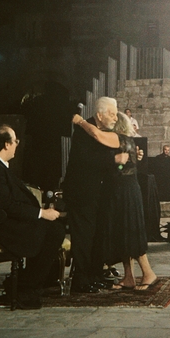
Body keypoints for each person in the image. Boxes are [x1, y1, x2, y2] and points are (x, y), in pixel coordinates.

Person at [0, 125, 65, 309]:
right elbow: (5, 204)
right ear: (6, 144)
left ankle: (27, 283)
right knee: (53, 231)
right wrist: (41, 213)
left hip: (0, 221)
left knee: (50, 228)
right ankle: (26, 288)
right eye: (15, 141)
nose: (17, 144)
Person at [74, 111, 157, 291]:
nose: (110, 120)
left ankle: (148, 273)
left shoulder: (118, 138)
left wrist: (81, 122)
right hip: (122, 190)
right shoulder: (126, 141)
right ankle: (129, 277)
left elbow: (96, 134)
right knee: (123, 233)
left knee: (130, 231)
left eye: (113, 118)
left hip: (125, 191)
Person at [62, 97, 128, 293]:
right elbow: (87, 160)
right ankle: (81, 281)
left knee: (99, 235)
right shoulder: (84, 130)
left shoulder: (103, 131)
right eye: (111, 113)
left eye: (116, 113)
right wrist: (114, 159)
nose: (115, 117)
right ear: (99, 115)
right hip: (82, 193)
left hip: (98, 193)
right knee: (84, 237)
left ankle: (95, 275)